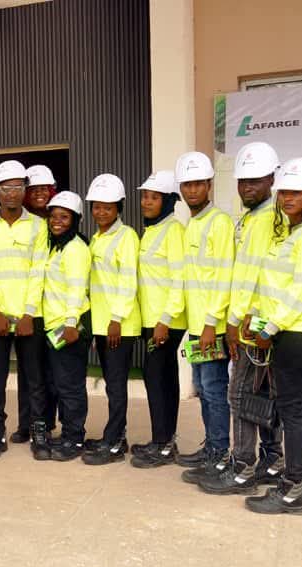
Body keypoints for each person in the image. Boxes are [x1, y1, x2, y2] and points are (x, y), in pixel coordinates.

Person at [246, 157, 302, 514]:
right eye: (284, 191)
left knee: (293, 413)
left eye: (296, 192)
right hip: (298, 329)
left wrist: (269, 328)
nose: (287, 198)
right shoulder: (296, 231)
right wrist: (258, 315)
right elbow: (278, 285)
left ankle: (291, 491)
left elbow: (299, 292)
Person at [199, 142, 285, 495]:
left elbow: (253, 277)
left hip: (254, 325)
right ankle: (272, 458)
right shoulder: (254, 217)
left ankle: (244, 465)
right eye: (242, 181)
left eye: (256, 181)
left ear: (271, 179)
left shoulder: (265, 219)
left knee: (239, 395)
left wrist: (235, 321)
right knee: (260, 394)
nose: (247, 187)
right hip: (255, 321)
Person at [0, 160, 48, 460]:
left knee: (35, 377)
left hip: (30, 316)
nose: (13, 193)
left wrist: (29, 312)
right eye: (6, 188)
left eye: (18, 187)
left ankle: (39, 432)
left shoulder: (38, 226)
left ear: (24, 190)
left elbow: (38, 271)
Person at [175, 152, 235, 485]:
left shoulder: (219, 223)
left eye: (199, 183)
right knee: (203, 389)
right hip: (197, 327)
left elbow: (224, 275)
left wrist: (212, 322)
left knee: (214, 390)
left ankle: (220, 453)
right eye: (188, 184)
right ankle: (211, 446)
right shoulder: (192, 225)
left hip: (212, 327)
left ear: (210, 185)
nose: (193, 190)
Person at [82, 173, 141, 465]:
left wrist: (116, 318)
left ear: (119, 207)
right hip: (104, 324)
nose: (101, 212)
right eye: (96, 206)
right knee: (110, 383)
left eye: (107, 207)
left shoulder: (127, 236)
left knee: (116, 385)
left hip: (120, 324)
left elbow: (128, 281)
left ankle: (115, 441)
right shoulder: (97, 238)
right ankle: (116, 435)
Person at [130, 171, 187, 469]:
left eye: (154, 197)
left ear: (167, 201)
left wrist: (164, 320)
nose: (146, 202)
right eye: (144, 196)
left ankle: (163, 445)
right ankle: (162, 440)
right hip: (153, 320)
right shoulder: (151, 231)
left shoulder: (173, 231)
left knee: (158, 378)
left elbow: (180, 279)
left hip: (167, 321)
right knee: (160, 379)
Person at [40, 191, 91, 461]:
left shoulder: (76, 249)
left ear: (75, 219)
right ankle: (69, 432)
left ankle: (75, 438)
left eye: (64, 217)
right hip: (55, 325)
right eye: (54, 216)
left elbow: (76, 288)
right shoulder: (57, 245)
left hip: (69, 326)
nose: (57, 221)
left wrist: (71, 323)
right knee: (60, 382)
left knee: (70, 384)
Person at [15, 163, 59, 441]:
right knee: (27, 372)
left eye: (45, 188)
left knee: (52, 372)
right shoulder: (24, 224)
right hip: (27, 310)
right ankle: (25, 424)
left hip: (52, 310)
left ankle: (46, 424)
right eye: (35, 189)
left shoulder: (60, 222)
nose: (41, 194)